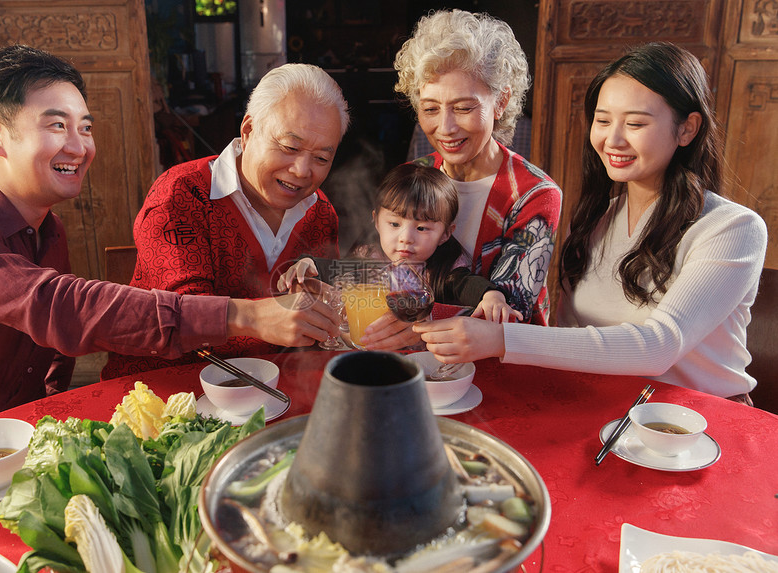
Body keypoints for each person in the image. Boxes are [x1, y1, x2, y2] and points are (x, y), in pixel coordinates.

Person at [0, 45, 340, 442]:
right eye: (57, 125)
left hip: (14, 438)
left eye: (85, 127)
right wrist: (248, 315)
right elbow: (58, 306)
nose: (79, 145)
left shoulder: (49, 232)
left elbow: (53, 349)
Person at [415, 42, 768, 400]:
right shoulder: (594, 221)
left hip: (701, 421)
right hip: (608, 410)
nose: (612, 139)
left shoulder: (732, 228)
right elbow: (570, 335)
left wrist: (501, 338)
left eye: (635, 123)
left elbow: (660, 346)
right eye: (602, 120)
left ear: (687, 129)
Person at [101, 63, 350, 378]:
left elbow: (327, 307)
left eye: (321, 158)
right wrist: (260, 318)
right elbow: (182, 314)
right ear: (248, 131)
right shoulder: (182, 194)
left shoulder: (320, 212)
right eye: (290, 147)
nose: (302, 171)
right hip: (169, 391)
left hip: (276, 387)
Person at [363, 9, 562, 351]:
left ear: (501, 101)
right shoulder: (417, 174)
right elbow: (381, 263)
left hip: (501, 367)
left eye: (464, 108)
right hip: (417, 361)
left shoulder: (534, 194)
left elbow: (508, 313)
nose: (446, 128)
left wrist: (416, 321)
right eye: (430, 109)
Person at [278, 163, 523, 323]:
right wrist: (308, 263)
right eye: (394, 224)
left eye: (422, 228)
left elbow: (467, 285)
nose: (406, 237)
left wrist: (492, 295)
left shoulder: (443, 269)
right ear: (376, 221)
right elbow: (337, 270)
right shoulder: (369, 258)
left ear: (446, 234)